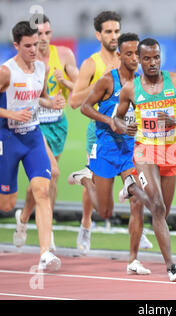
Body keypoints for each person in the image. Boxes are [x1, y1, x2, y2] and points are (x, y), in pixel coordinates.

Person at [68, 11, 152, 253]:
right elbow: (75, 102)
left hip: (129, 137)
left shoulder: (133, 64)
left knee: (137, 189)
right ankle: (86, 222)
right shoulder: (92, 64)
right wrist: (102, 87)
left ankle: (138, 235)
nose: (114, 35)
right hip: (100, 135)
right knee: (102, 204)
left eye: (117, 31)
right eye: (109, 31)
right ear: (98, 34)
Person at [114, 37, 176, 281]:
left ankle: (131, 186)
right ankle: (171, 267)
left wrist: (175, 121)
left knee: (162, 212)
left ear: (162, 57)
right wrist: (122, 126)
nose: (152, 63)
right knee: (158, 206)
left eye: (156, 57)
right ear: (138, 60)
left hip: (170, 152)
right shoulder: (131, 89)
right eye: (147, 58)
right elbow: (117, 117)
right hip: (144, 152)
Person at [0, 20, 65, 270]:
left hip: (33, 137)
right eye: (27, 46)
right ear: (16, 45)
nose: (33, 50)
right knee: (6, 204)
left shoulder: (41, 67)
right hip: (8, 138)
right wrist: (11, 114)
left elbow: (40, 98)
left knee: (42, 190)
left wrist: (53, 103)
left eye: (36, 44)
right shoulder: (6, 72)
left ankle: (45, 253)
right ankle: (18, 215)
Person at [13, 14, 79, 251]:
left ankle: (23, 218)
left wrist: (66, 82)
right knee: (53, 174)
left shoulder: (63, 55)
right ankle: (46, 233)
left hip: (58, 126)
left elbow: (82, 89)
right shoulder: (25, 60)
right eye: (38, 34)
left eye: (47, 33)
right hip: (34, 126)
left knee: (41, 181)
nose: (43, 38)